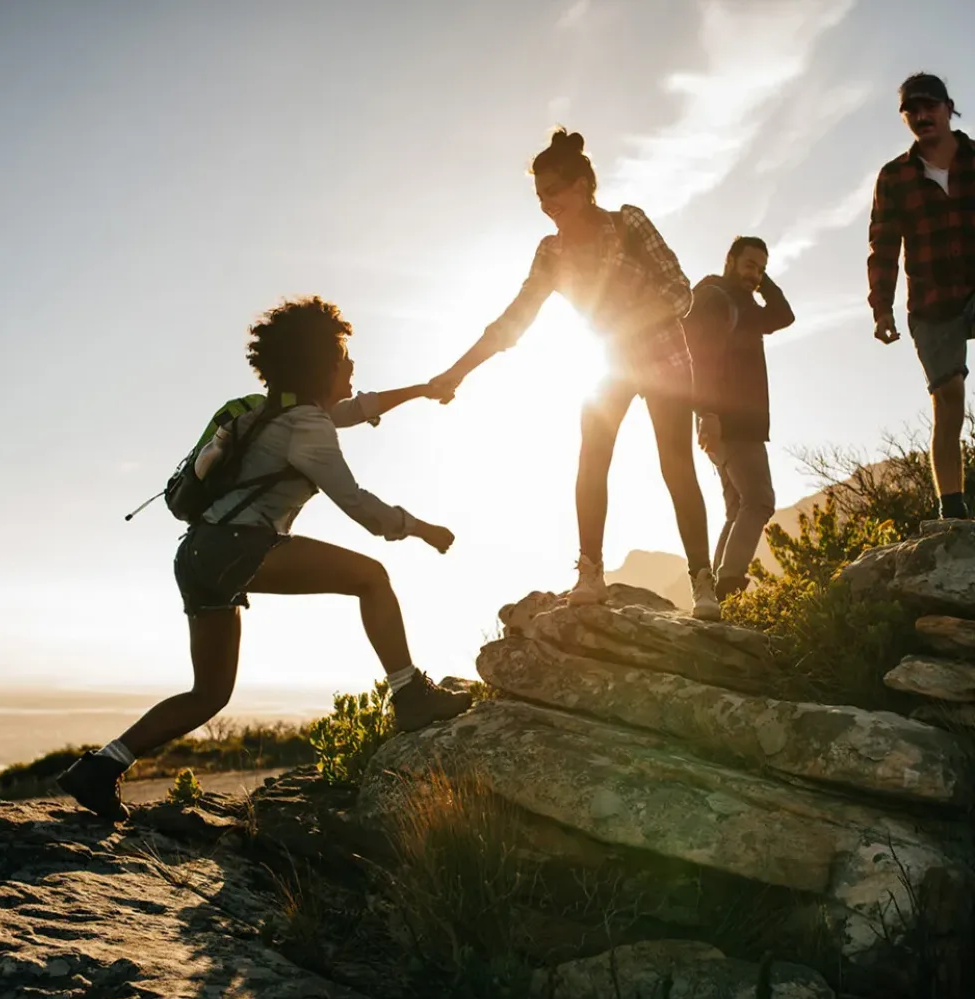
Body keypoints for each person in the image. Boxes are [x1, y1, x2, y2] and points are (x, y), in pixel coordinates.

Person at [59, 296, 471, 821]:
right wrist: (420, 528)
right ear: (321, 367)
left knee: (208, 694)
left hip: (198, 554)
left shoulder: (268, 410)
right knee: (372, 576)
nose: (352, 369)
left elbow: (354, 409)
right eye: (345, 361)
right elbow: (358, 505)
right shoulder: (308, 427)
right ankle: (409, 694)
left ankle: (100, 768)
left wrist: (420, 390)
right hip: (238, 548)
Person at [429, 129, 721, 620]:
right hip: (606, 362)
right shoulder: (551, 252)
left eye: (556, 191)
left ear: (584, 184)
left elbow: (680, 290)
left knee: (675, 464)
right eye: (541, 195)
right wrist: (458, 371)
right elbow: (513, 320)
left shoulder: (628, 223)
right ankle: (590, 572)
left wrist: (634, 323)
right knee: (592, 458)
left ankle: (703, 581)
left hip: (662, 357)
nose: (547, 203)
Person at [868, 72, 975, 520]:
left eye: (929, 106)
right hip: (932, 300)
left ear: (949, 108)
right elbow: (884, 245)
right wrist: (881, 307)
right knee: (948, 395)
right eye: (911, 110)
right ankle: (952, 507)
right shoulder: (895, 177)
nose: (921, 115)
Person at [684, 236, 794, 600]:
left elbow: (783, 316)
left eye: (761, 268)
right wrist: (708, 413)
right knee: (760, 500)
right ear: (730, 260)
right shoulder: (715, 297)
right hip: (728, 419)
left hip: (735, 420)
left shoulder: (745, 305)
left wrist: (762, 282)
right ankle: (728, 583)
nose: (755, 274)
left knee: (737, 507)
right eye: (750, 265)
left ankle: (714, 592)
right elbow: (701, 356)